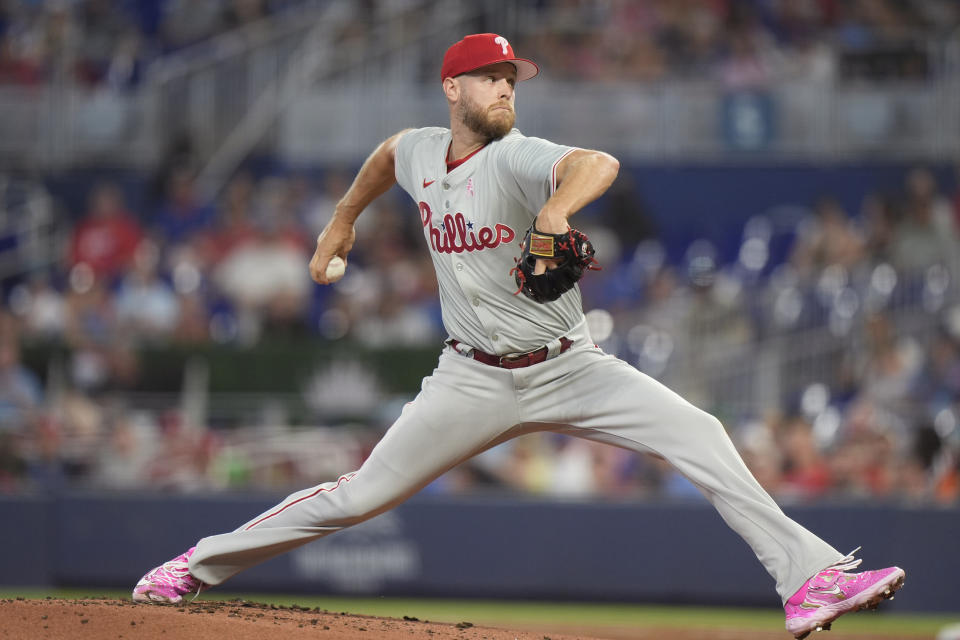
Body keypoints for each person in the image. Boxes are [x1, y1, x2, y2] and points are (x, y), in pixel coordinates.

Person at [132, 33, 904, 639]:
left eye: (512, 78)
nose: (505, 88)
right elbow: (383, 158)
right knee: (357, 497)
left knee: (700, 433)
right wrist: (341, 221)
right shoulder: (422, 151)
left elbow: (596, 161)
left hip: (570, 367)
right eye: (492, 78)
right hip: (468, 379)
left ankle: (810, 578)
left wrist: (555, 211)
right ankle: (192, 568)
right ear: (453, 89)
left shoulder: (516, 156)